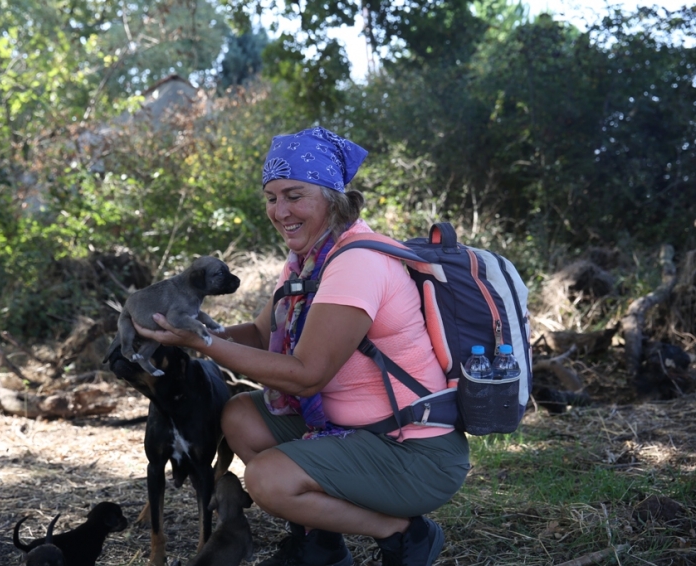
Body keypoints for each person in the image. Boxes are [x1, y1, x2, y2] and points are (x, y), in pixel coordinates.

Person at [131, 126, 470, 566]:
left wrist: (203, 341)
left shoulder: (357, 263)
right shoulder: (308, 260)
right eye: (271, 197)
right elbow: (257, 335)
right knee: (239, 416)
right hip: (353, 432)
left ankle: (406, 534)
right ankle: (321, 546)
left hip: (413, 451)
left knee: (267, 480)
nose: (280, 210)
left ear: (331, 197)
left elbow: (308, 374)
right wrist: (171, 330)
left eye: (294, 195)